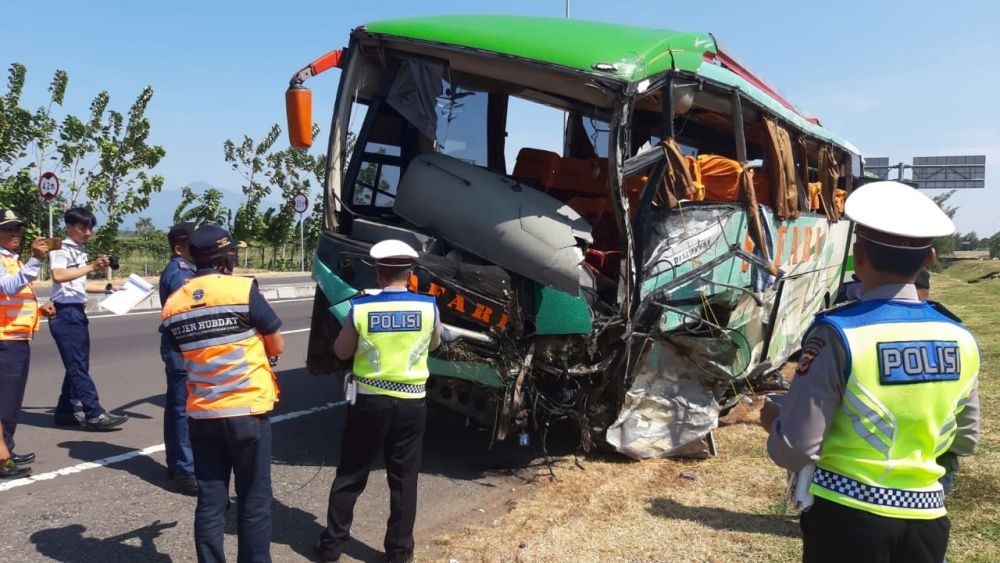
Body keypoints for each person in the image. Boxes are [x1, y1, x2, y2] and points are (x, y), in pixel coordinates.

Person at [760, 181, 980, 563]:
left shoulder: (838, 333)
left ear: (858, 255)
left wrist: (775, 423)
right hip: (928, 519)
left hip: (846, 519)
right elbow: (966, 439)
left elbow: (797, 447)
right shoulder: (959, 337)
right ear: (929, 259)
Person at [161, 223, 284, 563]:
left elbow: (180, 350)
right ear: (227, 256)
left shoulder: (173, 304)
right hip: (247, 411)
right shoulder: (242, 290)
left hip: (202, 415)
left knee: (211, 502)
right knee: (254, 501)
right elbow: (277, 342)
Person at [315, 239, 442, 563]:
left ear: (378, 274)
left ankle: (331, 547)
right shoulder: (428, 307)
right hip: (412, 404)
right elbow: (433, 346)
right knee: (403, 478)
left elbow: (341, 351)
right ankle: (399, 553)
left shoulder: (362, 308)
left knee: (351, 473)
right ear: (409, 273)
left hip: (370, 402)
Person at [48, 207, 127, 430]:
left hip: (76, 311)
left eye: (90, 228)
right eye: (83, 227)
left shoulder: (79, 250)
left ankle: (65, 411)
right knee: (78, 366)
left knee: (77, 365)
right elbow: (59, 275)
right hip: (65, 313)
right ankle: (94, 413)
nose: (88, 232)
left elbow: (79, 285)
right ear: (69, 226)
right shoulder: (60, 248)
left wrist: (109, 287)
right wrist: (92, 266)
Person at [0, 209, 55, 479]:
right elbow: (8, 287)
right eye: (8, 229)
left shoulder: (12, 259)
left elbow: (16, 295)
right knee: (4, 402)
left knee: (11, 403)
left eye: (18, 229)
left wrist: (38, 308)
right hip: (4, 339)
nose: (15, 234)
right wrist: (35, 259)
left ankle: (6, 449)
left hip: (17, 337)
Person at [159, 222, 198, 495]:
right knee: (183, 411)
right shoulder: (181, 274)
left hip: (177, 347)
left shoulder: (185, 270)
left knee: (177, 407)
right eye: (192, 243)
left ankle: (176, 464)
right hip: (182, 348)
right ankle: (185, 469)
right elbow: (185, 313)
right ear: (179, 248)